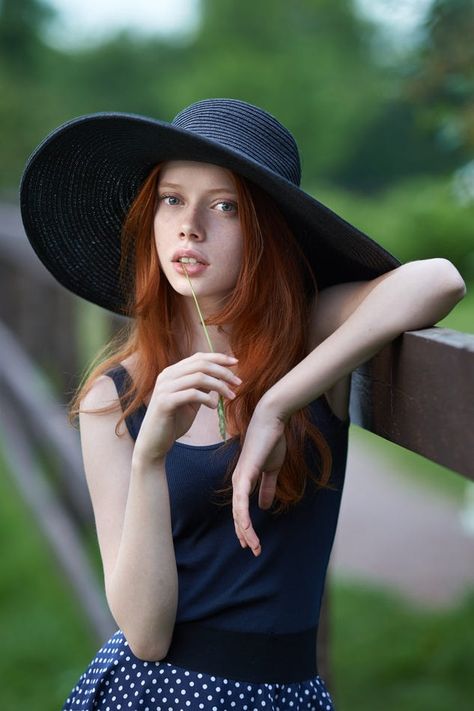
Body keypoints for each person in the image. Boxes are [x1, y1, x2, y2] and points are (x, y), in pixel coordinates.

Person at [20, 98, 466, 711]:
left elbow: (438, 279)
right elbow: (145, 635)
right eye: (172, 200)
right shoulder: (115, 397)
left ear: (265, 228)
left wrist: (278, 402)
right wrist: (151, 455)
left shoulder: (304, 338)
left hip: (289, 693)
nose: (190, 226)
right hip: (156, 692)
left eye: (224, 205)